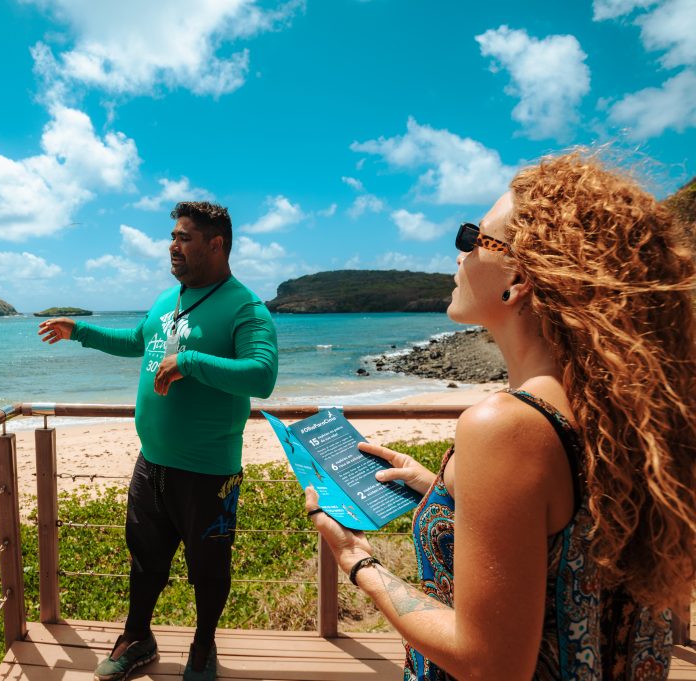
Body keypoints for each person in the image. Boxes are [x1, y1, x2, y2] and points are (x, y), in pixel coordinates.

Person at [307, 152, 696, 680]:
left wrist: (360, 562)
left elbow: (490, 663)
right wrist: (441, 489)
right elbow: (564, 529)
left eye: (473, 238)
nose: (459, 257)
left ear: (521, 278)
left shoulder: (507, 425)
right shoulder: (618, 413)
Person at [39, 201, 279, 681]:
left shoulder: (245, 308)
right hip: (152, 464)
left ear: (217, 244)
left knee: (208, 569)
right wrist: (78, 330)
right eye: (172, 236)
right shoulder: (165, 300)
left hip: (210, 472)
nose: (173, 246)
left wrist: (189, 362)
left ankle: (203, 647)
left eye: (184, 237)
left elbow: (262, 375)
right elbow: (137, 341)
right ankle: (137, 637)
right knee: (144, 561)